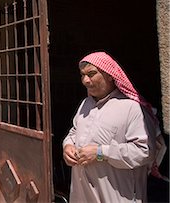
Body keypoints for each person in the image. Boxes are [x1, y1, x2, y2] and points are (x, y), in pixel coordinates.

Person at [63, 51, 158, 202]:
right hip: (83, 195)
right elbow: (74, 132)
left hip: (117, 195)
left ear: (109, 75)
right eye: (82, 75)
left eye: (91, 74)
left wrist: (100, 153)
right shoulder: (85, 104)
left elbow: (145, 152)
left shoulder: (131, 108)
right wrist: (67, 146)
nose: (85, 80)